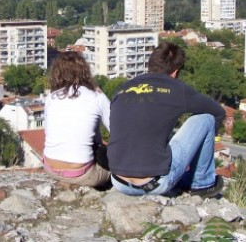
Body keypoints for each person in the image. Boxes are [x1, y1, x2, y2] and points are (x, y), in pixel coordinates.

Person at [107, 42, 226, 197]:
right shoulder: (176, 89)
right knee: (206, 119)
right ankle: (201, 184)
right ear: (175, 72)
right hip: (153, 185)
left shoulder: (123, 88)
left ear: (150, 65)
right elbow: (218, 112)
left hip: (118, 181)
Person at [43, 51, 111, 187]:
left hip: (50, 169)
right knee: (115, 166)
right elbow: (117, 130)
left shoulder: (52, 97)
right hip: (83, 174)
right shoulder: (97, 96)